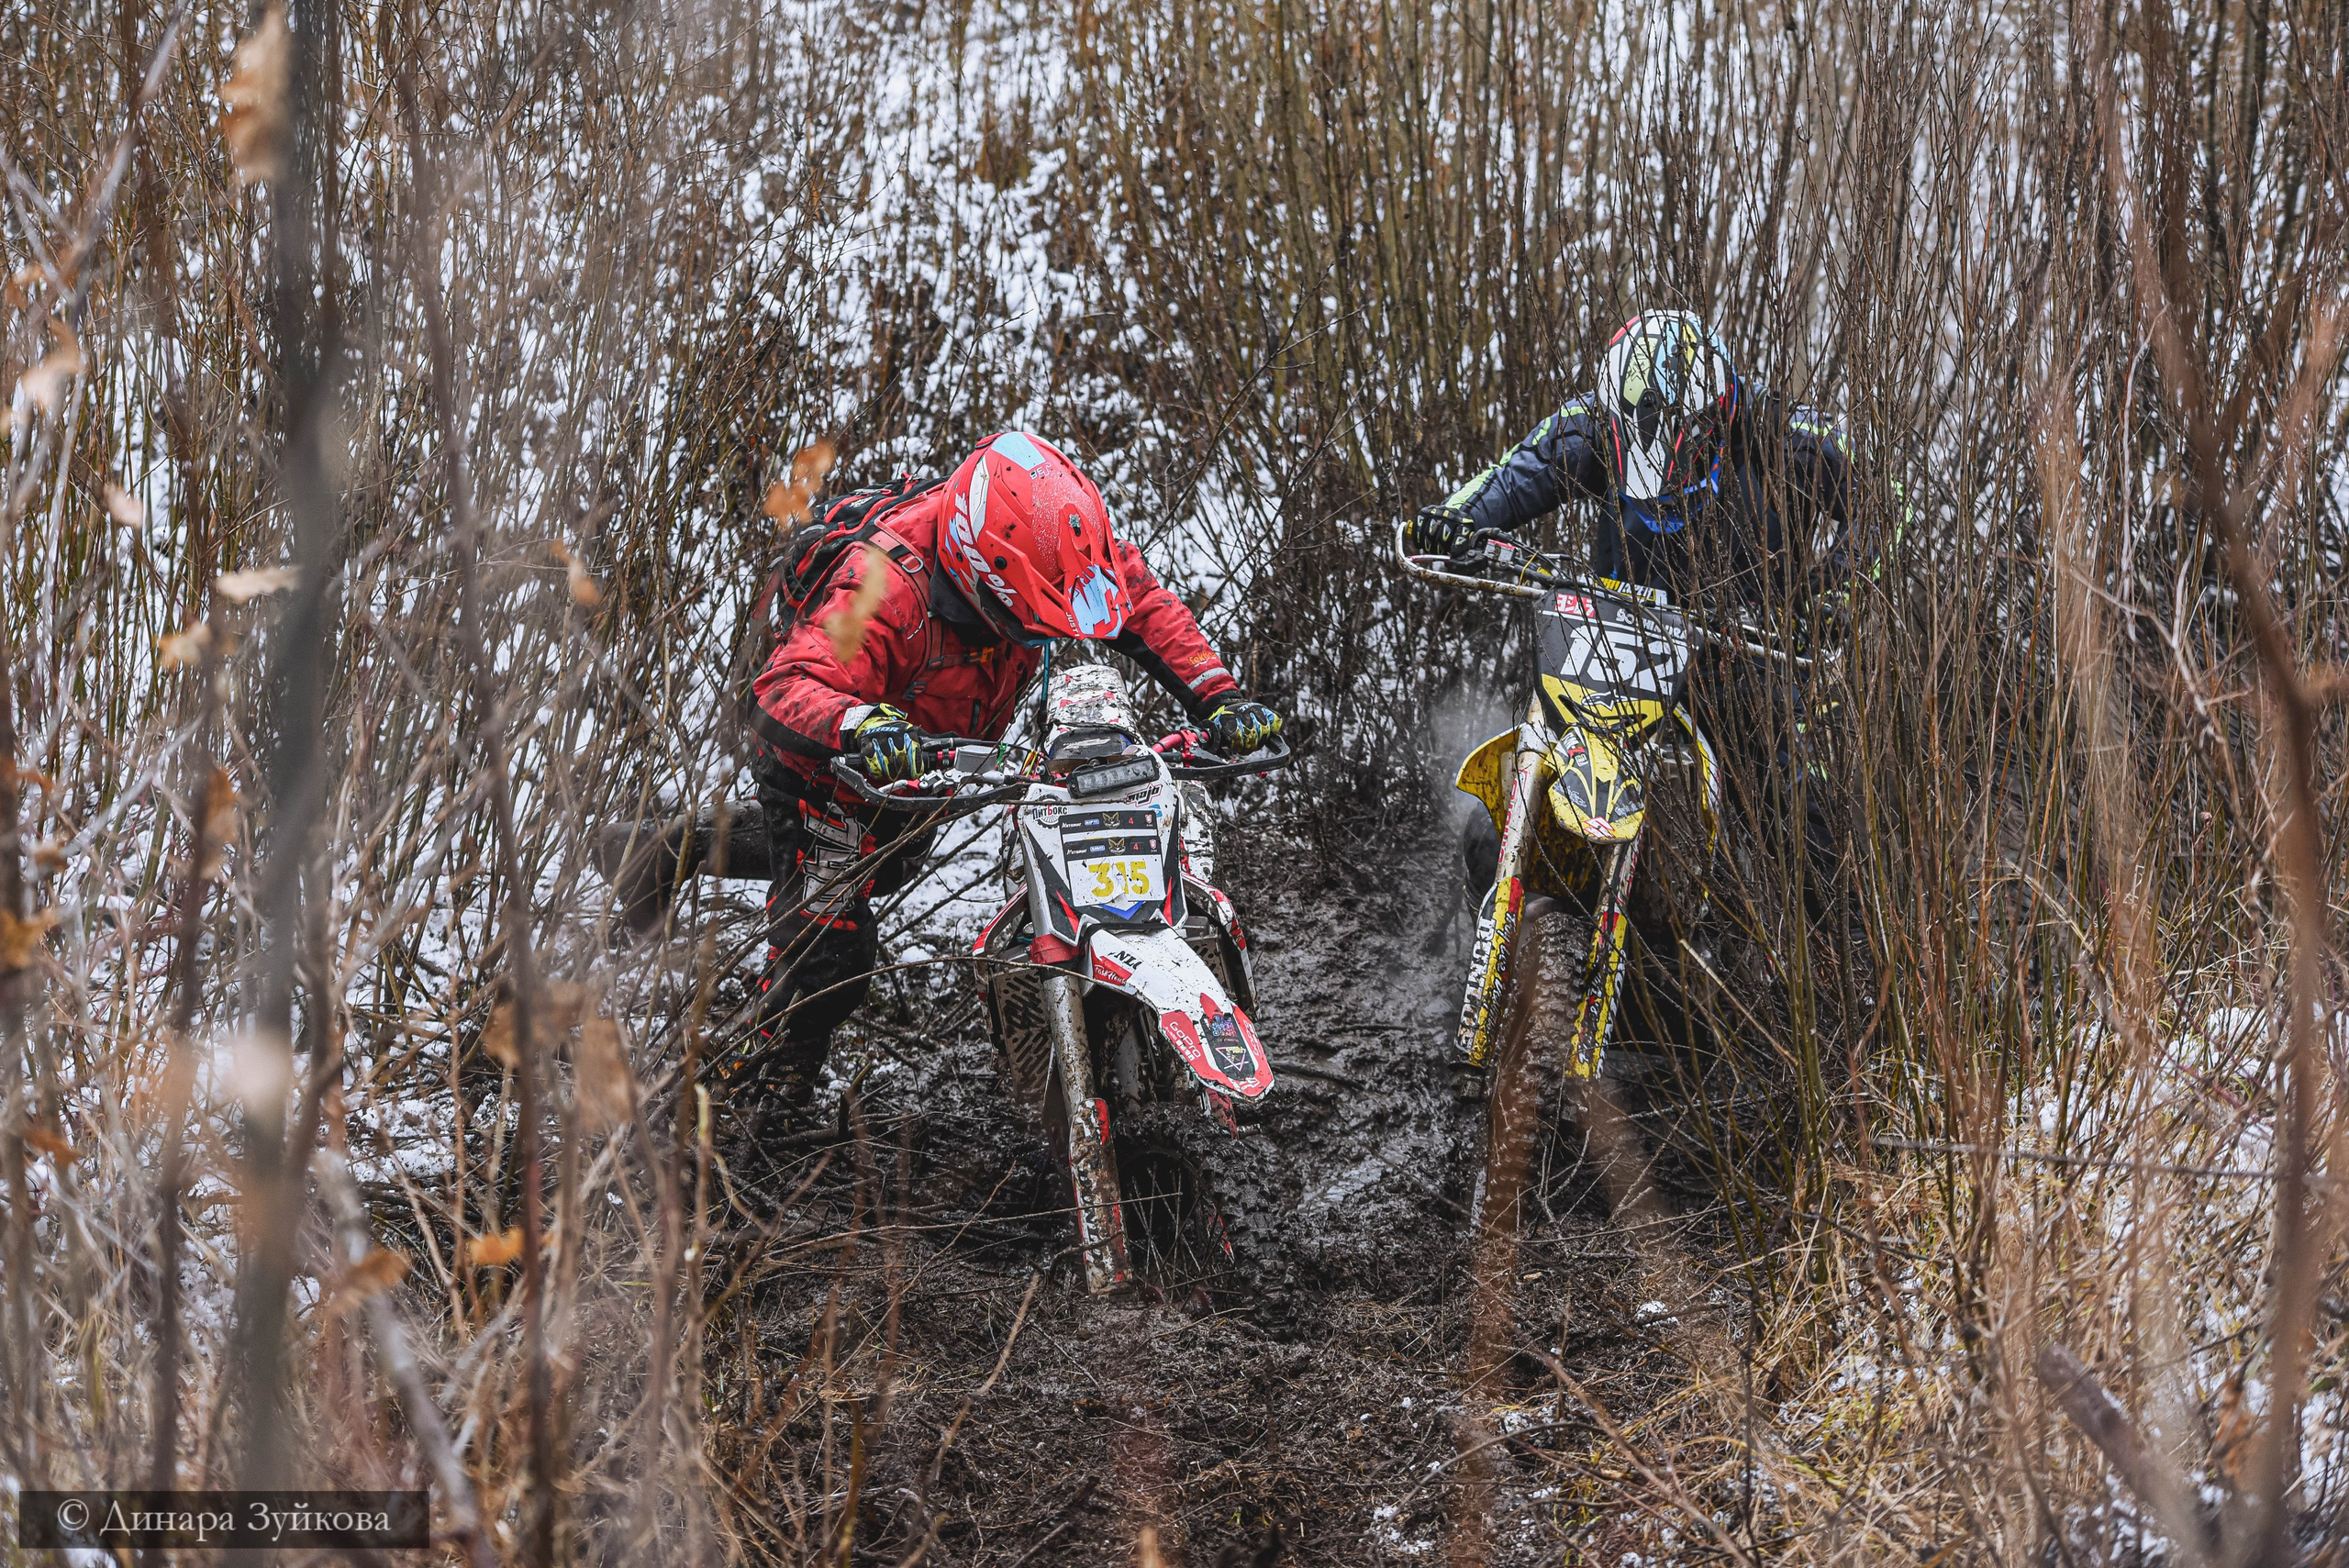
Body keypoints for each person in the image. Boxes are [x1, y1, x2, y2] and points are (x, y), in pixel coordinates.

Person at [732, 429, 1280, 1106]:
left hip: (921, 759)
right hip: (825, 767)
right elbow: (785, 688)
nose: (1045, 635)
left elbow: (1141, 603)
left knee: (890, 861)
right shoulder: (883, 587)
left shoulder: (1056, 548)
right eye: (1031, 619)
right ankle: (761, 1105)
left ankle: (673, 848)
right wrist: (859, 724)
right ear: (978, 576)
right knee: (829, 956)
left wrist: (1218, 694)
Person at [1406, 309, 1859, 911]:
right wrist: (1453, 521)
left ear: (1716, 415)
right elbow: (1513, 476)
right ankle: (1488, 945)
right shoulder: (1592, 424)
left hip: (1746, 655)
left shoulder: (1782, 434)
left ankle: (1838, 969)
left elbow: (1885, 500)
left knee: (1796, 821)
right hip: (1618, 652)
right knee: (1508, 816)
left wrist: (1839, 584)